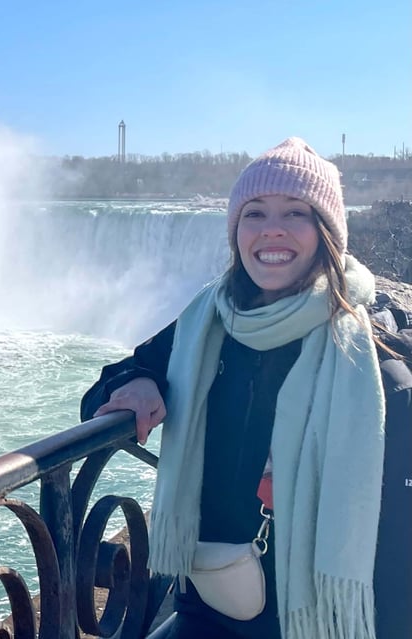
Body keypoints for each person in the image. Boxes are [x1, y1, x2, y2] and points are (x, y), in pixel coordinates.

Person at [80, 137, 411, 639]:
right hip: (210, 603)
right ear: (236, 232)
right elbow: (99, 395)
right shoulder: (205, 326)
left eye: (296, 213)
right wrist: (139, 382)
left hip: (318, 621)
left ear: (327, 234)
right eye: (254, 213)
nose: (271, 228)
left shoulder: (374, 365)